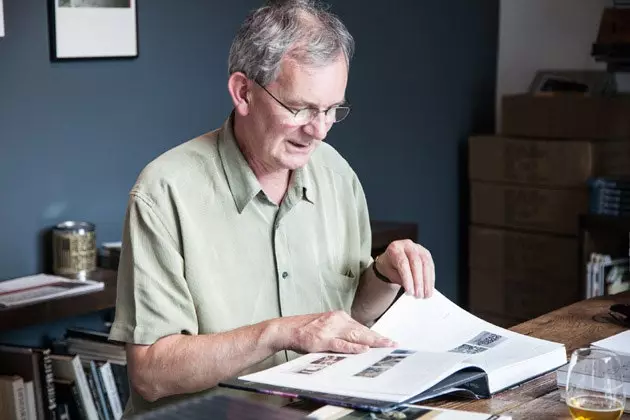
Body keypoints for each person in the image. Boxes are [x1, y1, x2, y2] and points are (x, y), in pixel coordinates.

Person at [109, 0, 435, 416]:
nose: (318, 131)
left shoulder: (336, 174)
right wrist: (280, 333)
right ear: (243, 92)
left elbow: (345, 320)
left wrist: (384, 275)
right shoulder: (164, 193)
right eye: (300, 108)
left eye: (332, 110)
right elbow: (151, 374)